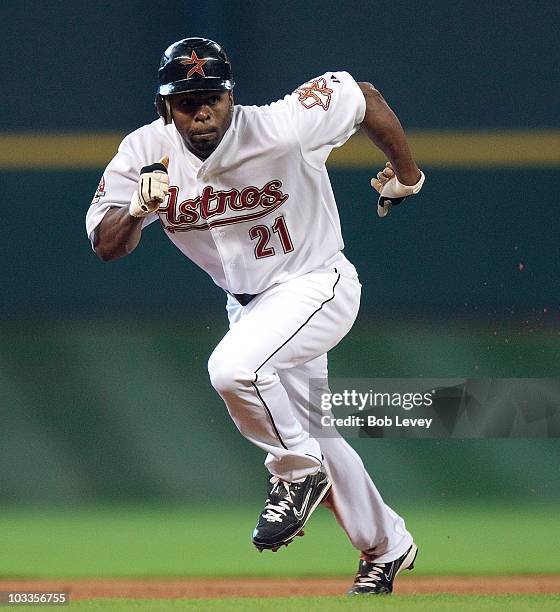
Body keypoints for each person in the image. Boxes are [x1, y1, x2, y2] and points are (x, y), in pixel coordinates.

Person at [85, 37, 425, 595]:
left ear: (231, 97)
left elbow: (362, 97)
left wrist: (405, 174)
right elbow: (106, 244)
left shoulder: (281, 125)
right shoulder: (142, 152)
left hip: (318, 284)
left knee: (234, 371)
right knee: (316, 431)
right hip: (248, 307)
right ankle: (387, 546)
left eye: (212, 96)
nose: (201, 109)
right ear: (163, 106)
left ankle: (297, 474)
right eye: (187, 98)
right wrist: (136, 209)